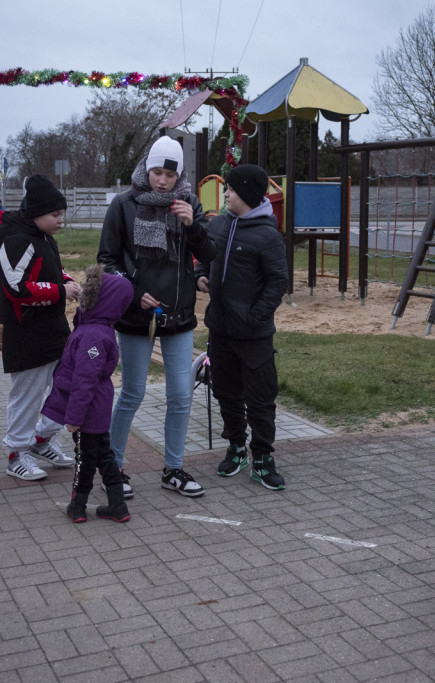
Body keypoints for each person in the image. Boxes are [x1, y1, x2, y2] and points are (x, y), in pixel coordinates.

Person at [98, 136, 216, 498]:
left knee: (181, 395)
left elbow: (208, 252)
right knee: (132, 393)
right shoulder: (123, 205)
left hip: (178, 314)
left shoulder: (189, 204)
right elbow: (107, 261)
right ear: (146, 169)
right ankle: (113, 468)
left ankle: (173, 469)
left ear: (178, 174)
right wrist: (132, 293)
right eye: (155, 172)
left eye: (168, 174)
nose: (161, 180)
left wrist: (193, 224)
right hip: (135, 314)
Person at [195, 164, 288, 490]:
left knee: (261, 399)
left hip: (254, 334)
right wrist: (201, 275)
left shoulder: (267, 235)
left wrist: (255, 316)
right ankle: (236, 446)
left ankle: (262, 456)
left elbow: (278, 282)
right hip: (220, 329)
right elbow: (205, 256)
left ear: (246, 195)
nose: (226, 194)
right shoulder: (219, 225)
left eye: (231, 190)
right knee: (226, 393)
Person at [0, 174, 81, 481]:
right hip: (25, 333)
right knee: (28, 396)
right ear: (36, 214)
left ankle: (42, 440)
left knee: (68, 386)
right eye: (55, 215)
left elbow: (55, 271)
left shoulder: (46, 239)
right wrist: (61, 291)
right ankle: (16, 454)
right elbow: (16, 287)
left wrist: (68, 281)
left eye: (62, 215)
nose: (61, 220)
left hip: (55, 331)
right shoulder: (15, 239)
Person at [40, 263, 134, 523]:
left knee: (85, 459)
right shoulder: (97, 328)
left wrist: (74, 417)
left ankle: (78, 506)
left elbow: (84, 381)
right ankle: (118, 506)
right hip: (98, 409)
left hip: (87, 412)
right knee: (105, 457)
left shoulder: (92, 335)